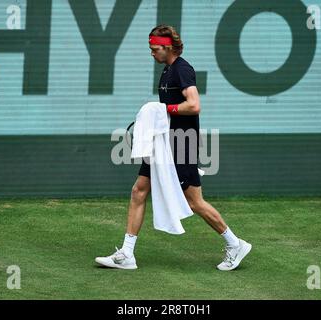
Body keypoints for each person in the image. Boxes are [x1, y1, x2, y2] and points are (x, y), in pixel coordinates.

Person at [95, 25, 251, 271]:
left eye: (154, 48)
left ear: (167, 47)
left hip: (182, 142)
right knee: (139, 190)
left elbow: (194, 105)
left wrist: (165, 109)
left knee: (194, 201)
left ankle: (235, 243)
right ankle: (127, 254)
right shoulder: (167, 70)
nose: (151, 53)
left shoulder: (183, 70)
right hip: (163, 141)